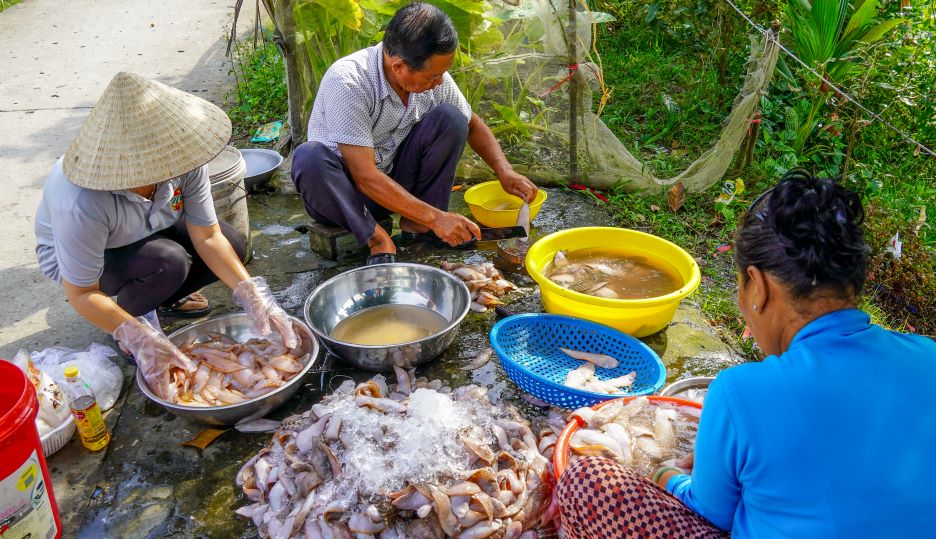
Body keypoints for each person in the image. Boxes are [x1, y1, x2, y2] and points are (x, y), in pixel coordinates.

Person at [553, 170, 936, 538]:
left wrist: (663, 474)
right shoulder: (928, 356)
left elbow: (713, 512)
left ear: (759, 286)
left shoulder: (742, 391)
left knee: (587, 481)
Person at [34, 72, 298, 387]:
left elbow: (209, 236)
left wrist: (252, 294)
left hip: (149, 228)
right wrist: (137, 335)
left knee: (233, 243)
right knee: (168, 262)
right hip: (85, 259)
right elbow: (81, 292)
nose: (167, 169)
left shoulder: (183, 157)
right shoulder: (80, 199)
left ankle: (163, 298)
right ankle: (127, 324)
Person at [291, 2, 539, 265]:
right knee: (309, 157)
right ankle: (376, 238)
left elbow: (472, 124)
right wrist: (437, 217)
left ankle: (419, 226)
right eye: (433, 76)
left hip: (392, 183)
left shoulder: (429, 77)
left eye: (441, 74)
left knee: (452, 119)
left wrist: (504, 171)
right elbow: (364, 177)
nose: (439, 82)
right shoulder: (349, 81)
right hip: (343, 197)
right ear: (399, 67)